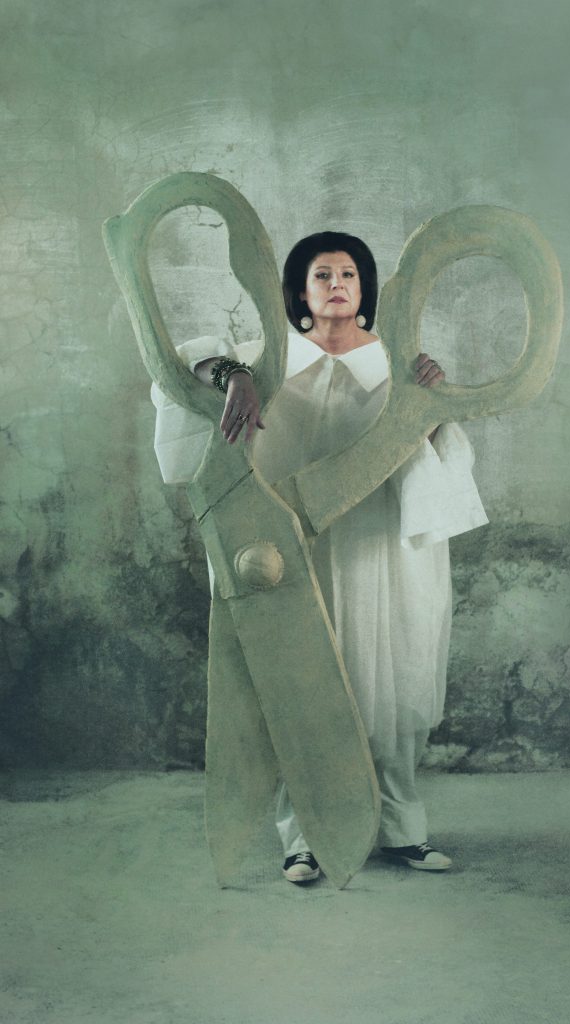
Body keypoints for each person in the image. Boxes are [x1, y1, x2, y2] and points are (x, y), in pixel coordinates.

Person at [151, 231, 488, 884]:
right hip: (292, 549)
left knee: (387, 691)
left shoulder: (395, 364)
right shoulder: (267, 359)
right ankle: (301, 837)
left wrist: (433, 405)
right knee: (294, 686)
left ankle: (402, 831)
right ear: (299, 292)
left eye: (348, 275)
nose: (336, 285)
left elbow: (438, 455)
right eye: (322, 275)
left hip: (378, 550)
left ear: (364, 290)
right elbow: (181, 366)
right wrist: (235, 376)